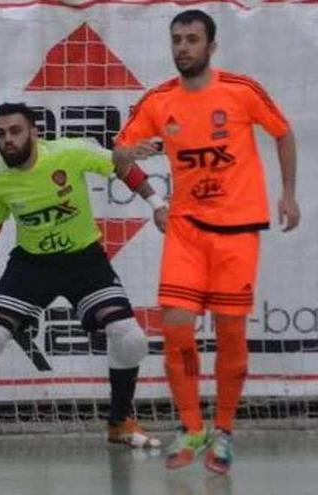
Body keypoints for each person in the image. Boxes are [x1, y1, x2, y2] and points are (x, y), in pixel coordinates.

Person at [0, 102, 166, 451]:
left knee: (131, 339)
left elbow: (121, 165)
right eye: (1, 134)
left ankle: (120, 423)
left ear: (34, 132)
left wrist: (158, 205)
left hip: (84, 261)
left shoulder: (69, 153)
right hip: (31, 266)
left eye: (15, 131)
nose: (7, 140)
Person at [115, 10, 299, 474]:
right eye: (176, 39)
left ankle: (224, 431)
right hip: (186, 232)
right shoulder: (159, 101)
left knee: (231, 334)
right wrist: (132, 158)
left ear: (211, 47)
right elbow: (119, 153)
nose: (182, 47)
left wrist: (289, 196)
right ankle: (192, 427)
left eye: (192, 39)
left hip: (238, 233)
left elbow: (283, 133)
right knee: (176, 329)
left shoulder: (241, 91)